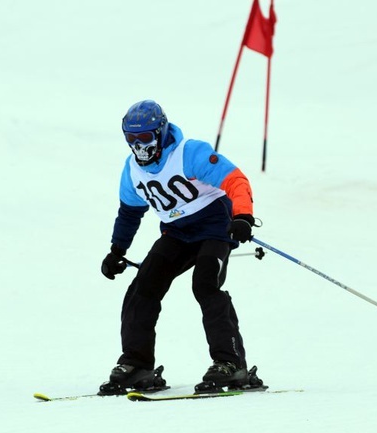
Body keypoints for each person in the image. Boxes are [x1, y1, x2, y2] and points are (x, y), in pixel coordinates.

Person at [98, 100, 263, 395]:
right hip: (177, 233)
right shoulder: (133, 169)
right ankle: (137, 365)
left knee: (205, 285)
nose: (139, 147)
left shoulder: (190, 153)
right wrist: (117, 250)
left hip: (215, 227)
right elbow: (130, 211)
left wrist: (242, 217)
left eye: (145, 138)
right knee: (143, 288)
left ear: (160, 133)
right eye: (131, 139)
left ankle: (230, 363)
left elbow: (235, 180)